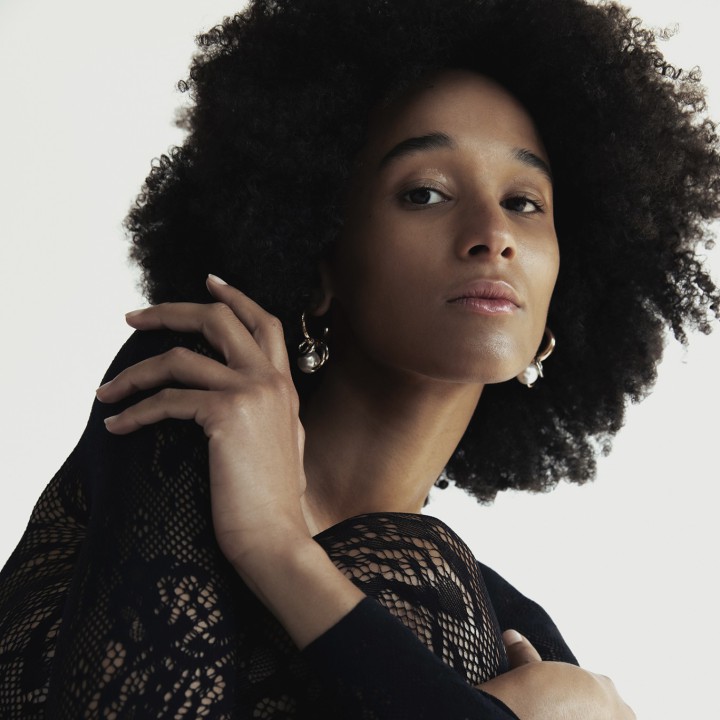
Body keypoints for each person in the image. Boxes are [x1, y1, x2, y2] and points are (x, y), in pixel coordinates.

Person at [1, 0, 718, 717]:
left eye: (525, 203)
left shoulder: (512, 624)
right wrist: (272, 542)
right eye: (425, 193)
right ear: (321, 254)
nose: (493, 234)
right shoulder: (207, 392)